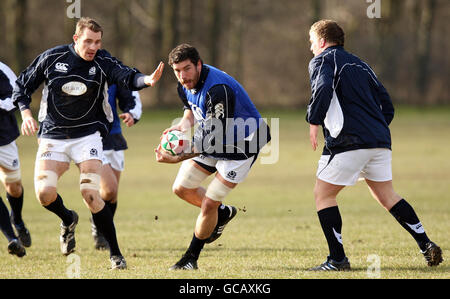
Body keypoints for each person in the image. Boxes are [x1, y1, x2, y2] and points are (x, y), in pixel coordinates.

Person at [12, 17, 164, 269]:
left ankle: (116, 254)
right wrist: (26, 114)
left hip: (88, 137)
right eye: (88, 41)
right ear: (76, 39)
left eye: (97, 41)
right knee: (44, 194)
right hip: (53, 135)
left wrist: (146, 80)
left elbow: (126, 75)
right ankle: (68, 219)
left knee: (91, 194)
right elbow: (22, 85)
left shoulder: (103, 61)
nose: (93, 46)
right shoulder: (52, 58)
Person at [305, 19, 443, 271]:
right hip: (379, 141)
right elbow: (387, 105)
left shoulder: (322, 60)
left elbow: (323, 86)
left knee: (322, 195)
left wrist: (313, 120)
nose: (311, 47)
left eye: (312, 41)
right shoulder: (361, 64)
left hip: (349, 142)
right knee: (387, 195)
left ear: (322, 42)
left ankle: (337, 260)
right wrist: (375, 129)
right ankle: (426, 244)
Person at [155, 44, 271, 270]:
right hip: (215, 138)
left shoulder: (217, 90)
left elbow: (212, 141)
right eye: (177, 71)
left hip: (244, 144)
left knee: (209, 203)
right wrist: (182, 125)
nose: (182, 76)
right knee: (181, 188)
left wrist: (176, 158)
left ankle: (190, 259)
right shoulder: (184, 84)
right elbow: (191, 108)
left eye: (187, 69)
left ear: (199, 64)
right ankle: (221, 213)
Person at [90, 84, 142, 250]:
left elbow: (130, 94)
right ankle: (100, 229)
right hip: (90, 138)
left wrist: (131, 113)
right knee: (109, 189)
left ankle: (100, 227)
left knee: (111, 196)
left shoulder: (112, 70)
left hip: (114, 137)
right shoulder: (79, 70)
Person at [0, 61, 31, 258]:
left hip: (3, 137)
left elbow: (16, 96)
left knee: (14, 188)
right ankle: (12, 239)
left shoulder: (2, 70)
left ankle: (17, 219)